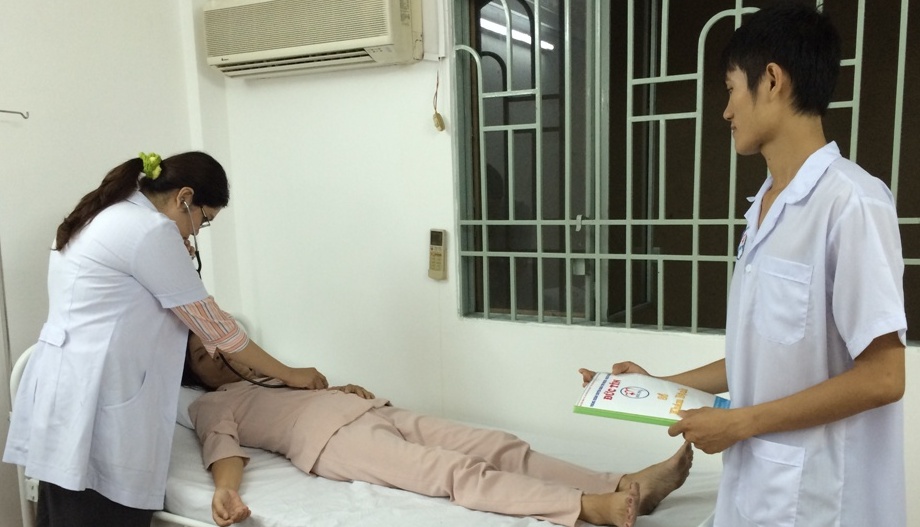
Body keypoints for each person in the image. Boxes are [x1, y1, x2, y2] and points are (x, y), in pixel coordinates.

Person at [581, 2, 907, 526]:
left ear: (772, 81)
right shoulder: (763, 208)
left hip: (821, 499)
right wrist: (657, 384)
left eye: (732, 89)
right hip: (757, 488)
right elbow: (767, 357)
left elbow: (883, 377)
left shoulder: (852, 204)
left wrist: (741, 423)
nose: (726, 111)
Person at [3, 152, 327, 527]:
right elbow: (218, 329)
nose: (195, 232)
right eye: (203, 220)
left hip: (69, 391)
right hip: (100, 400)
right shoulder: (149, 231)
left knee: (67, 511)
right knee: (97, 511)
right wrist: (290, 374)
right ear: (184, 197)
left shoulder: (107, 215)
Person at [183, 333, 694, 527]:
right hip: (333, 444)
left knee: (497, 445)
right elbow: (222, 448)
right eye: (202, 356)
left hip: (373, 412)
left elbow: (302, 393)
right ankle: (588, 507)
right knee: (456, 471)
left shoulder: (271, 374)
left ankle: (624, 482)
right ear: (193, 375)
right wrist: (226, 491)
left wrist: (342, 390)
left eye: (217, 345)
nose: (216, 356)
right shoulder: (214, 403)